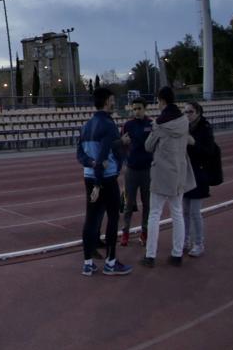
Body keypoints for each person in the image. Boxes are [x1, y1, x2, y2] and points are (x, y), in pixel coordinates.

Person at [76, 87, 131, 276]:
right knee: (113, 218)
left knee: (90, 219)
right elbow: (105, 156)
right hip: (104, 180)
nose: (114, 103)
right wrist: (123, 145)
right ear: (107, 101)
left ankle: (87, 263)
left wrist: (93, 165)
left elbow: (81, 155)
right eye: (113, 100)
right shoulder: (108, 125)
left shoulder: (85, 126)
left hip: (89, 176)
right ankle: (110, 262)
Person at [142, 86, 197, 268]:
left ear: (162, 101)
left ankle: (150, 256)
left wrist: (153, 131)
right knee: (177, 213)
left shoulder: (160, 123)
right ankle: (177, 253)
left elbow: (148, 146)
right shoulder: (184, 121)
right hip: (179, 172)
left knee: (154, 214)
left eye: (158, 101)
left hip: (161, 173)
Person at [120, 99, 155, 247]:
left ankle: (145, 232)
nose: (136, 111)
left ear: (145, 108)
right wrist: (123, 163)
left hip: (147, 169)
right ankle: (125, 233)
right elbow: (121, 144)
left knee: (147, 204)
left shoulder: (151, 124)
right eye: (134, 109)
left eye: (139, 108)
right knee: (128, 204)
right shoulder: (128, 125)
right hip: (132, 170)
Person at [182, 101, 215, 258]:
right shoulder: (184, 127)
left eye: (190, 112)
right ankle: (185, 240)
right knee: (184, 211)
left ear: (198, 113)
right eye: (185, 112)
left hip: (199, 174)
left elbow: (209, 151)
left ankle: (199, 243)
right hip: (185, 173)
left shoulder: (205, 128)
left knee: (195, 212)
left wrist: (193, 142)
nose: (187, 115)